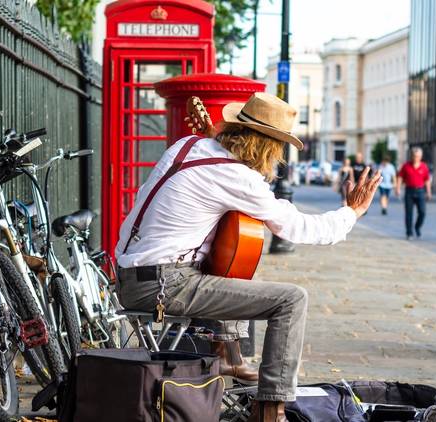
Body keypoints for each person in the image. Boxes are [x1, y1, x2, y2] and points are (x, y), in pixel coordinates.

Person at [115, 92, 382, 422]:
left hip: (130, 275)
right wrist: (351, 212)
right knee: (291, 300)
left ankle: (229, 355)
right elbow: (298, 227)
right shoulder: (238, 178)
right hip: (163, 285)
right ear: (269, 146)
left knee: (232, 258)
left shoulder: (186, 145)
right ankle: (271, 409)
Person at [395, 147, 431, 239]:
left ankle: (417, 227)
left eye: (418, 156)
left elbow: (427, 180)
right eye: (415, 156)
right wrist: (398, 188)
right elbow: (400, 177)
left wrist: (428, 192)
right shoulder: (406, 166)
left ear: (421, 157)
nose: (416, 158)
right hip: (409, 191)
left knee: (422, 212)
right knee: (408, 213)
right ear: (412, 156)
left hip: (420, 191)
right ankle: (409, 232)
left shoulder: (424, 166)